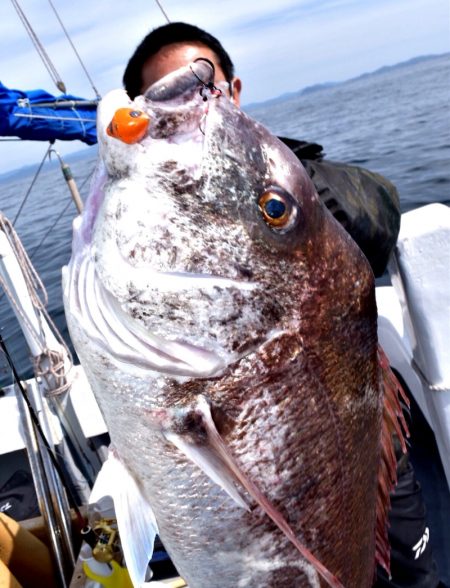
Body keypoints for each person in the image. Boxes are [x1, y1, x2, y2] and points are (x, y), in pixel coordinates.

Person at [122, 22, 442, 587]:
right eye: (161, 94)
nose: (190, 106)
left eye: (203, 86)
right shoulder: (146, 217)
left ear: (233, 91)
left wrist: (289, 204)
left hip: (353, 448)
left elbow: (378, 212)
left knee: (413, 575)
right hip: (260, 425)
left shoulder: (287, 172)